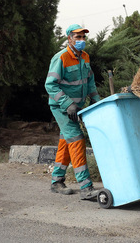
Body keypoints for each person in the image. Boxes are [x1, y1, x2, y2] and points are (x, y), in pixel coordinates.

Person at [45, 24, 101, 199]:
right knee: (76, 139)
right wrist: (67, 103)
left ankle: (57, 181)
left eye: (83, 37)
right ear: (69, 38)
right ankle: (86, 187)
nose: (81, 40)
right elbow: (50, 85)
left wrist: (96, 101)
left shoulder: (85, 57)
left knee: (66, 140)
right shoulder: (61, 57)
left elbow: (89, 81)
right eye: (78, 37)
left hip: (76, 108)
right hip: (62, 107)